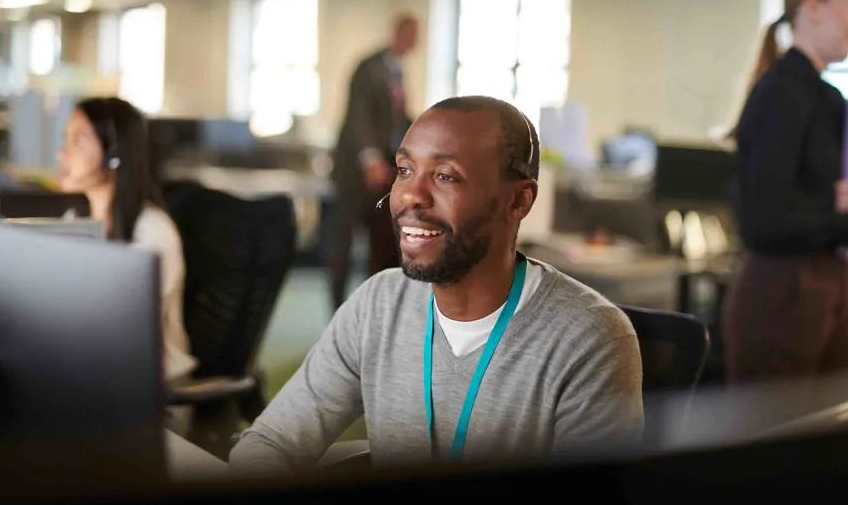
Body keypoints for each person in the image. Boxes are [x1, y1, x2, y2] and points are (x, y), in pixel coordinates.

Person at [228, 96, 643, 475]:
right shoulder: (379, 304)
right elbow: (270, 441)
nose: (410, 196)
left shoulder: (589, 340)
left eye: (445, 176)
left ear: (518, 201)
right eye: (405, 170)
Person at [722, 0, 848, 391]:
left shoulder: (827, 98)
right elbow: (765, 222)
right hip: (782, 295)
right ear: (813, 8)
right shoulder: (780, 93)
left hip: (826, 285)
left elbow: (821, 197)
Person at [56, 97, 197, 383]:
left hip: (155, 391)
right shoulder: (75, 222)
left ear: (114, 154)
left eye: (78, 140)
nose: (62, 153)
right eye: (65, 138)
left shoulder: (153, 231)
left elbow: (123, 331)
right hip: (97, 375)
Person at [327, 14, 420, 313]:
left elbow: (397, 121)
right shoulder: (369, 67)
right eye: (413, 35)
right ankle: (336, 310)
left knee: (380, 244)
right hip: (355, 172)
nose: (417, 42)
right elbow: (359, 118)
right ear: (400, 33)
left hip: (384, 173)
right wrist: (370, 160)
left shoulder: (398, 72)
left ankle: (371, 311)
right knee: (342, 243)